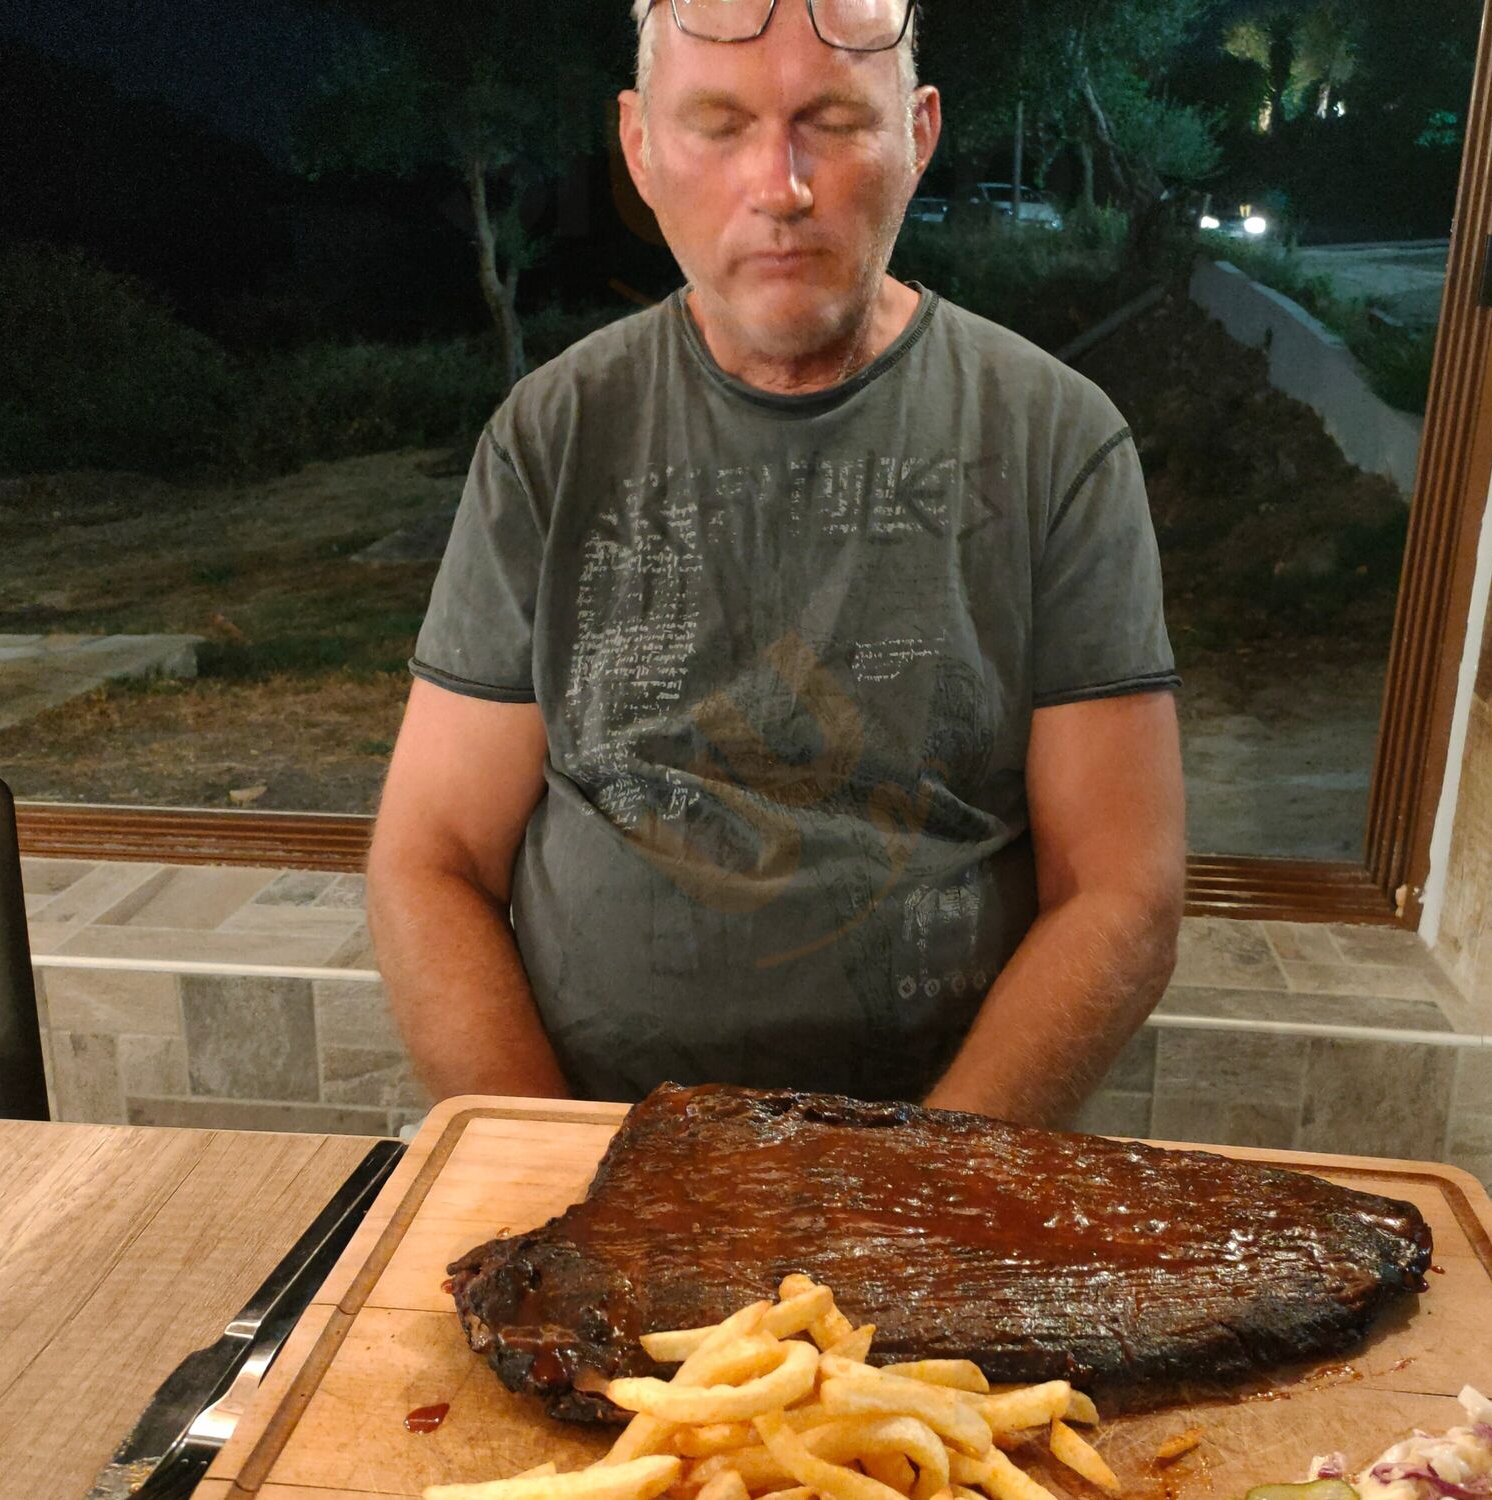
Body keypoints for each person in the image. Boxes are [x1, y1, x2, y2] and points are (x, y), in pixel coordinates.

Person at [366, 0, 1185, 1128]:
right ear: (640, 146)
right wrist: (544, 1166)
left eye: (834, 122)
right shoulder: (552, 436)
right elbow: (432, 856)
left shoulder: (1056, 441)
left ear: (919, 134)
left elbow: (1119, 894)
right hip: (589, 1135)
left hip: (941, 1147)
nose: (781, 186)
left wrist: (916, 1180)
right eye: (718, 124)